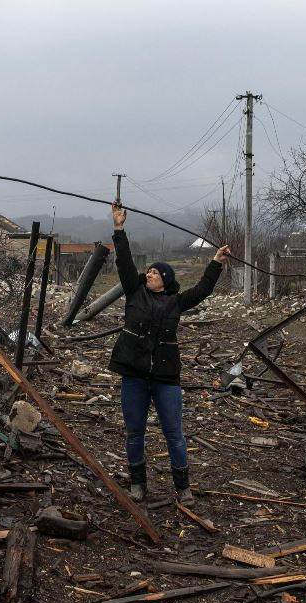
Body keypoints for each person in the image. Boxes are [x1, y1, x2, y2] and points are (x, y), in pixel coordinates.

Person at [108, 202, 229, 507]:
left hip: (165, 379)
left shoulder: (175, 302)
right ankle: (138, 483)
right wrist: (119, 228)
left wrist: (215, 262)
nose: (148, 274)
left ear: (165, 278)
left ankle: (183, 487)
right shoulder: (134, 291)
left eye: (154, 272)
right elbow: (123, 262)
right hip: (134, 376)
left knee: (174, 433)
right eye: (147, 271)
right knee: (134, 433)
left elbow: (202, 289)